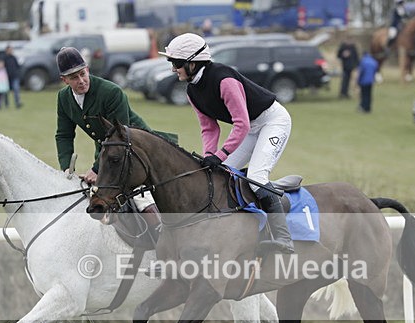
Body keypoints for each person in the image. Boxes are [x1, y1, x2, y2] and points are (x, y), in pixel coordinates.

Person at [160, 32, 294, 255]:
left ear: (192, 63)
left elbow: (240, 124)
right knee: (220, 174)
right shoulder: (192, 90)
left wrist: (220, 155)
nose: (173, 68)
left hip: (273, 121)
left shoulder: (224, 80)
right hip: (250, 128)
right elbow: (209, 128)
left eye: (176, 63)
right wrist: (209, 156)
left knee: (257, 176)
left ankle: (283, 236)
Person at [54, 46, 163, 229]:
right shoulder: (63, 98)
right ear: (64, 80)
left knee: (139, 194)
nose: (81, 81)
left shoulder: (111, 92)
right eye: (74, 77)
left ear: (87, 69)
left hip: (136, 145)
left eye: (83, 73)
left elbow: (119, 137)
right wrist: (66, 169)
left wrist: (97, 169)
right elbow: (64, 135)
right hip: (110, 148)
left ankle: (161, 231)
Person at [0, 44, 22, 109]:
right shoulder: (3, 58)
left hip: (14, 77)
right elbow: (1, 66)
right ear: (6, 50)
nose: (11, 51)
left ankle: (17, 103)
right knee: (5, 92)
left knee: (16, 90)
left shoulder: (14, 57)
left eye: (11, 50)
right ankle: (6, 104)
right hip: (6, 78)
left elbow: (18, 66)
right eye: (10, 50)